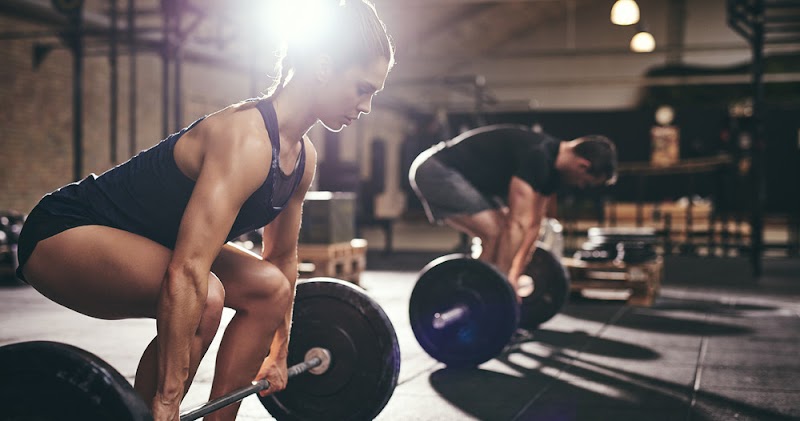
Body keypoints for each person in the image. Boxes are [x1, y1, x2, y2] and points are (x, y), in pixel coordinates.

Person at [15, 1, 394, 420]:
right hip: (63, 234)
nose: (366, 106)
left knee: (269, 286)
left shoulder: (302, 158)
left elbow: (282, 259)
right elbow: (188, 271)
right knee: (206, 295)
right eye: (363, 88)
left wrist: (280, 352)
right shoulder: (246, 139)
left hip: (152, 244)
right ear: (324, 66)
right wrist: (167, 399)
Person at [409, 124, 617, 292]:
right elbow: (517, 224)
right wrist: (503, 284)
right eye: (587, 182)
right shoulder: (537, 156)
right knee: (497, 232)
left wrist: (514, 276)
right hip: (436, 169)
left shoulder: (553, 173)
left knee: (500, 234)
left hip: (469, 182)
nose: (582, 187)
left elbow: (534, 226)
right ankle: (473, 294)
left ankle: (477, 292)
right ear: (583, 165)